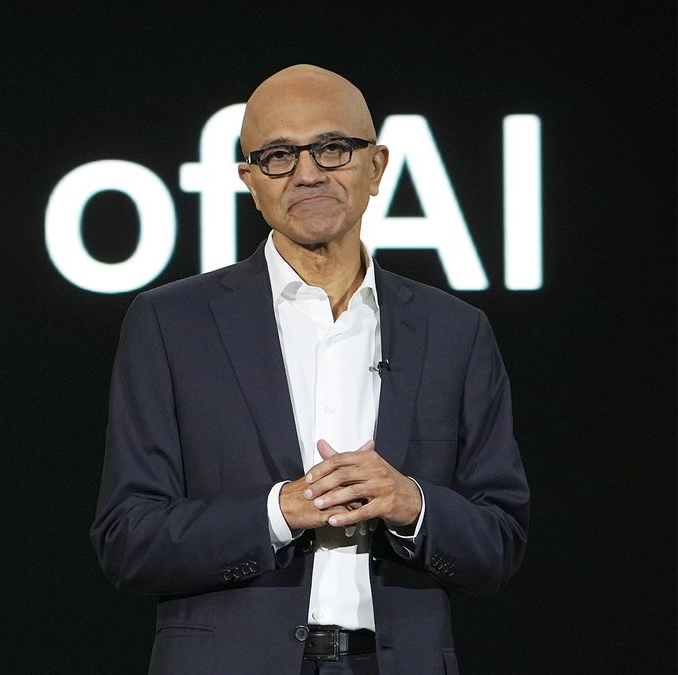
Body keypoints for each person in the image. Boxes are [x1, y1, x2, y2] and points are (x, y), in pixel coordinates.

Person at [89, 65, 529, 674]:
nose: (307, 173)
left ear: (376, 166)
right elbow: (127, 538)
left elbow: (499, 542)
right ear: (250, 180)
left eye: (332, 148)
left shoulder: (454, 331)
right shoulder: (170, 324)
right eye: (278, 155)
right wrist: (280, 511)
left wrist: (412, 503)